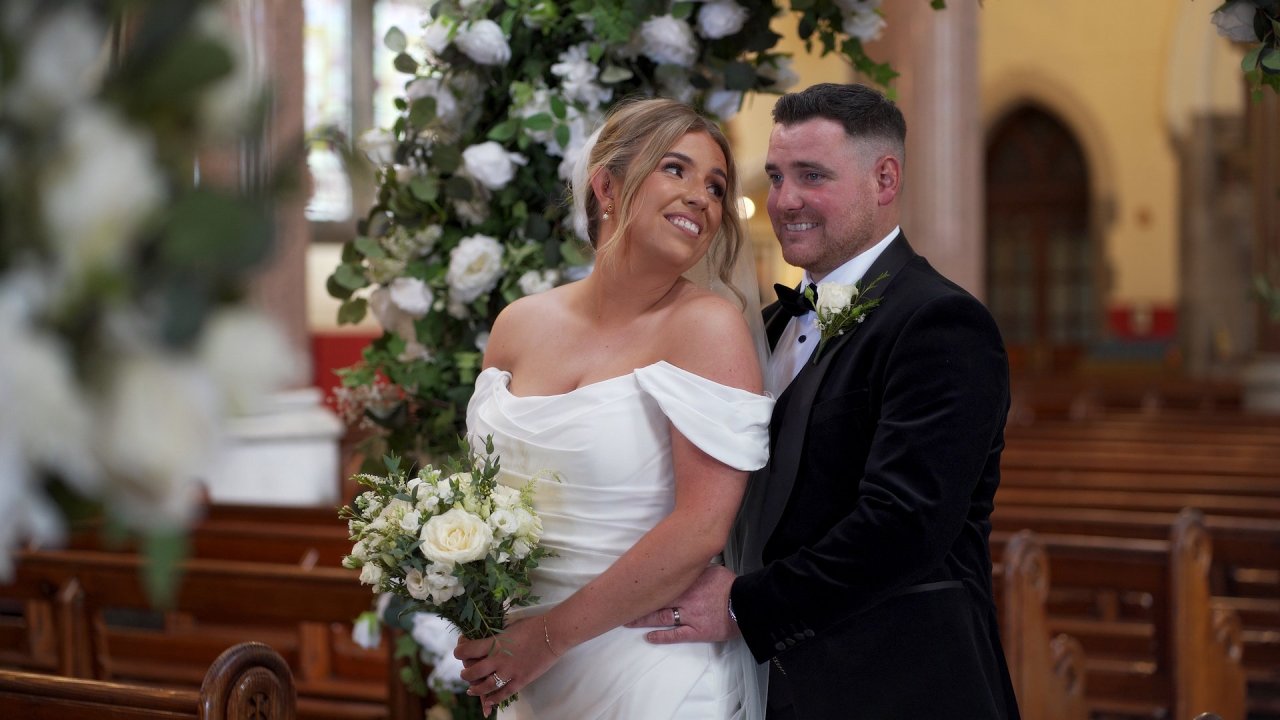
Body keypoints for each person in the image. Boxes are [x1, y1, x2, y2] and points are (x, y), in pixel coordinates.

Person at [630, 83, 1021, 719]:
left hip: (902, 684)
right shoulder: (771, 326)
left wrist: (742, 604)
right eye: (777, 176)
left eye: (812, 176)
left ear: (884, 179)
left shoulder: (941, 322)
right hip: (773, 686)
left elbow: (904, 526)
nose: (785, 201)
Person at [454, 97, 775, 719]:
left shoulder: (706, 328)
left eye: (716, 185)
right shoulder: (517, 326)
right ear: (607, 185)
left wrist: (547, 638)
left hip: (646, 667)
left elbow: (699, 529)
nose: (702, 197)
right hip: (525, 670)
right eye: (676, 170)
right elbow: (481, 500)